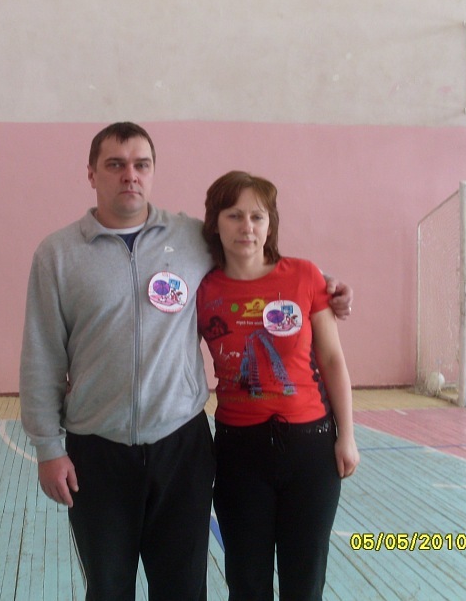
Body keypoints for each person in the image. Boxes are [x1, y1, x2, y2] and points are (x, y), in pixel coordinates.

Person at [19, 123, 353, 601]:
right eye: (115, 164)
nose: (129, 175)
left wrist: (328, 285)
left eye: (141, 164)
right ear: (91, 174)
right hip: (98, 450)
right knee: (108, 588)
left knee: (182, 588)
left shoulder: (191, 237)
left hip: (181, 447)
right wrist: (48, 448)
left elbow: (256, 260)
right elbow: (42, 355)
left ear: (153, 172)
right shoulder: (57, 255)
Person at [196, 171, 360, 601]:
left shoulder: (304, 276)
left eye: (257, 216)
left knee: (304, 581)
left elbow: (332, 360)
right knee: (247, 582)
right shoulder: (203, 288)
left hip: (311, 451)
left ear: (270, 224)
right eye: (234, 215)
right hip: (239, 454)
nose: (247, 227)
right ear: (215, 222)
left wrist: (347, 436)